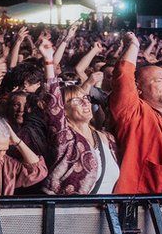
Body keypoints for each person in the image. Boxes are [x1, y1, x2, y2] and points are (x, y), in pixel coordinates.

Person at [109, 32, 162, 193]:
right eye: (159, 81)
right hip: (148, 208)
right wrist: (133, 45)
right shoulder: (134, 112)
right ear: (138, 88)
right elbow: (123, 77)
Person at [40, 38, 120, 195]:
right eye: (75, 100)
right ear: (63, 110)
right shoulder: (65, 137)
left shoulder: (107, 138)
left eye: (85, 98)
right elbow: (53, 103)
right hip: (74, 214)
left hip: (107, 214)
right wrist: (49, 61)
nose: (85, 103)